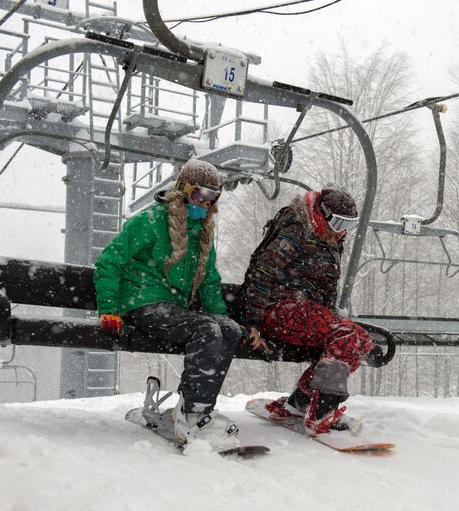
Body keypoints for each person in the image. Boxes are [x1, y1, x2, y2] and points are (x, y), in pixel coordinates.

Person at [93, 159, 260, 447]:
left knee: (226, 331)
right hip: (142, 303)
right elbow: (109, 261)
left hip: (172, 310)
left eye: (213, 198)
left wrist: (227, 320)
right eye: (201, 195)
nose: (206, 204)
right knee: (207, 330)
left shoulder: (201, 234)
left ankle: (197, 409)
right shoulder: (148, 222)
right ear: (184, 191)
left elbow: (208, 283)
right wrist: (109, 309)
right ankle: (192, 414)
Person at [239, 188, 373, 434]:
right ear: (323, 214)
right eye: (339, 222)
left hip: (304, 311)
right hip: (279, 308)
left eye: (349, 225)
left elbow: (325, 287)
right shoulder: (298, 230)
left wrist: (329, 317)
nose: (343, 230)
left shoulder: (330, 238)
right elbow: (264, 271)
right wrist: (253, 322)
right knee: (349, 336)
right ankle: (321, 411)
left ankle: (300, 403)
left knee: (359, 340)